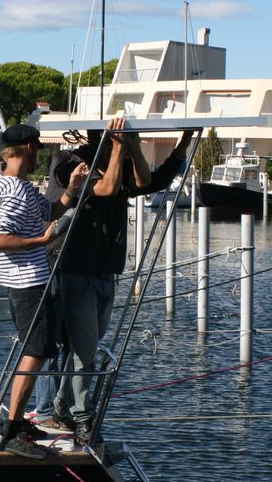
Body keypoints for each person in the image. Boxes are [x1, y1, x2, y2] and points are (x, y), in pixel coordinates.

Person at [54, 118, 192, 443]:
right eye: (117, 136)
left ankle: (61, 407)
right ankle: (82, 415)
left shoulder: (123, 160)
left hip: (106, 273)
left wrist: (170, 145)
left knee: (84, 346)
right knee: (85, 349)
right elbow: (106, 188)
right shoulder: (72, 163)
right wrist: (118, 148)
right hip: (77, 270)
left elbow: (147, 182)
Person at [0, 123, 86, 458]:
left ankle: (14, 423)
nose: (39, 153)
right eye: (37, 148)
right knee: (36, 351)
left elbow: (50, 212)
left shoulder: (14, 185)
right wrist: (42, 240)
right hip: (27, 281)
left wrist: (71, 189)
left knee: (38, 349)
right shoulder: (13, 191)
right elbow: (0, 241)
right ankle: (13, 429)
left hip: (30, 280)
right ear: (27, 148)